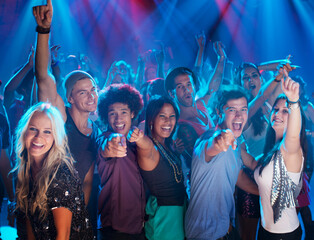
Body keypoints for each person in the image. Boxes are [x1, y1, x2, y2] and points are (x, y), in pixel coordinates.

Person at [33, 1, 101, 235]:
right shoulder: (61, 118)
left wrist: (80, 212)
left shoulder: (96, 129)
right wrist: (44, 31)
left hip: (79, 215)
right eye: (83, 92)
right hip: (48, 212)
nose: (91, 96)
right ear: (70, 98)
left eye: (93, 89)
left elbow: (88, 179)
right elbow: (43, 77)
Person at [185, 87, 259, 240]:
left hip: (225, 230)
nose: (239, 115)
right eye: (232, 109)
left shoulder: (235, 144)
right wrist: (223, 138)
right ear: (219, 112)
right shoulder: (208, 138)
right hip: (204, 234)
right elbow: (215, 144)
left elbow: (237, 176)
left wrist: (266, 193)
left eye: (243, 109)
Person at [12, 103, 93, 239]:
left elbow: (63, 235)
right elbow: (29, 221)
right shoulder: (23, 168)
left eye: (47, 131)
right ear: (24, 131)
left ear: (56, 137)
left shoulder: (60, 175)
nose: (38, 137)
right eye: (33, 129)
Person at [254, 70, 306, 239]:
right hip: (264, 230)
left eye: (285, 111)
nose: (277, 114)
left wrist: (294, 101)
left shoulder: (291, 150)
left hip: (284, 235)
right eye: (276, 109)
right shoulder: (271, 149)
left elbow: (292, 135)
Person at [128, 96, 186, 240]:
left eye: (172, 116)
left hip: (178, 215)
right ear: (151, 120)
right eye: (162, 116)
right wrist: (138, 137)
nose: (168, 121)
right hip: (164, 218)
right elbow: (145, 145)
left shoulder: (167, 145)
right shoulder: (150, 149)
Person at [97, 84, 146, 239]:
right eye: (113, 113)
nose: (118, 119)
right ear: (106, 116)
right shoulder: (104, 138)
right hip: (114, 230)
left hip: (139, 228)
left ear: (132, 113)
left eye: (123, 112)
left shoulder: (137, 142)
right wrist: (112, 144)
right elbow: (107, 146)